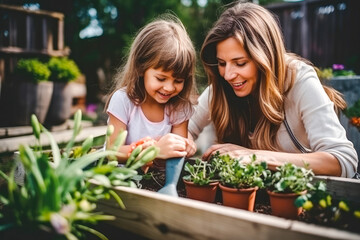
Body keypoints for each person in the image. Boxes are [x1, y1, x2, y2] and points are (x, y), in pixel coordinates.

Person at [189, 2, 358, 178]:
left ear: (265, 58)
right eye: (222, 63)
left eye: (240, 63)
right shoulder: (222, 87)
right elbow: (184, 128)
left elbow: (343, 161)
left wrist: (255, 157)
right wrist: (181, 143)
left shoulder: (299, 79)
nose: (228, 75)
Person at [105, 14, 197, 165]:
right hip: (121, 178)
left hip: (157, 180)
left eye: (178, 80)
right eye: (161, 79)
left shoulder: (179, 107)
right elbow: (112, 151)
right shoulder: (123, 100)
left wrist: (185, 147)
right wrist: (154, 151)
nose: (169, 88)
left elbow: (175, 159)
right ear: (141, 68)